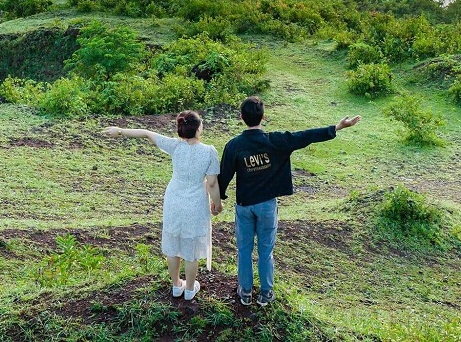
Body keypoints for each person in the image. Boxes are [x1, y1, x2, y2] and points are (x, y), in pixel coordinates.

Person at [217, 96, 361, 306]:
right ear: (263, 117)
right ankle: (266, 294)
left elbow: (224, 176)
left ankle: (245, 292)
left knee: (244, 250)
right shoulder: (275, 141)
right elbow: (304, 136)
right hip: (267, 206)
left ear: (241, 117)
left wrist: (217, 198)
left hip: (244, 206)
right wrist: (336, 128)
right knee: (265, 251)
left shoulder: (234, 146)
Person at [102, 110, 221, 301]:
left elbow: (147, 133)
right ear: (199, 128)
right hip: (195, 202)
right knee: (191, 247)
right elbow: (212, 183)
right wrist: (217, 204)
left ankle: (176, 285)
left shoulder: (175, 146)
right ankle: (190, 289)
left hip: (174, 199)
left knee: (174, 242)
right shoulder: (209, 151)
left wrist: (120, 131)